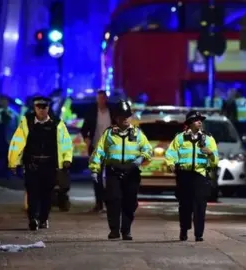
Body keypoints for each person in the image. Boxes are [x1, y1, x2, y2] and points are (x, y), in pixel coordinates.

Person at [89, 100, 152, 240]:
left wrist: (140, 159)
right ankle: (114, 230)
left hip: (132, 173)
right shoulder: (109, 134)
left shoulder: (138, 134)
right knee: (113, 200)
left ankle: (126, 230)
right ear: (116, 118)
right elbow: (99, 151)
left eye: (127, 116)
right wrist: (94, 169)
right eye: (121, 116)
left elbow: (148, 149)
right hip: (114, 171)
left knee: (130, 202)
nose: (124, 119)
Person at [8, 96, 73, 230]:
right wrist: (13, 162)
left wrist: (67, 159)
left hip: (49, 165)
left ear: (48, 108)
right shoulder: (27, 122)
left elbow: (66, 142)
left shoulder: (57, 123)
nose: (42, 110)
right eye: (39, 107)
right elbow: (17, 142)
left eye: (44, 107)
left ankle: (43, 218)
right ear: (35, 108)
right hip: (32, 164)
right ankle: (33, 219)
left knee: (47, 194)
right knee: (32, 192)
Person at [165, 110, 219, 242]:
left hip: (200, 175)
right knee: (185, 205)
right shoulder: (180, 138)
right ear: (189, 123)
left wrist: (211, 153)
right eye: (196, 120)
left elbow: (215, 160)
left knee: (200, 206)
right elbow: (171, 152)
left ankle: (198, 234)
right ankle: (184, 229)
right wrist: (171, 163)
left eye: (201, 120)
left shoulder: (209, 138)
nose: (200, 122)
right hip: (184, 175)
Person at [80, 90, 114, 212]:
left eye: (103, 98)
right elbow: (84, 128)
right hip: (96, 148)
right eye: (99, 99)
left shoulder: (112, 112)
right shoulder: (92, 112)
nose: (101, 101)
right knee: (97, 177)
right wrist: (86, 138)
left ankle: (110, 202)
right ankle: (99, 203)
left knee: (111, 177)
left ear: (106, 99)